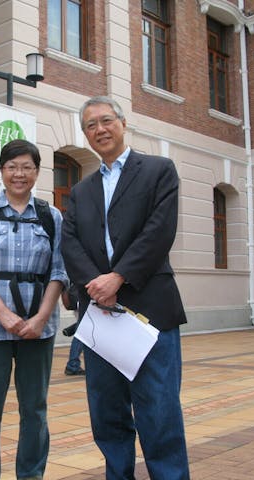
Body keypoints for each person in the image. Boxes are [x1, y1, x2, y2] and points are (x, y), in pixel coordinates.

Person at [61, 96, 190, 479]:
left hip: (151, 312)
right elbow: (70, 243)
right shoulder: (81, 191)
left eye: (105, 120)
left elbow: (159, 231)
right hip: (100, 320)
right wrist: (97, 285)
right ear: (85, 134)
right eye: (90, 125)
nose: (99, 129)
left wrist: (118, 278)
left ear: (122, 122)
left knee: (159, 413)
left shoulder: (157, 171)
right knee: (107, 415)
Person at [0, 139, 67, 480]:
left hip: (38, 329)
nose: (19, 174)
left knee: (34, 410)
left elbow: (58, 272)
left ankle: (31, 475)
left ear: (37, 172)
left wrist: (40, 317)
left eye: (27, 167)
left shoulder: (52, 217)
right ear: (1, 171)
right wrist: (4, 314)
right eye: (12, 167)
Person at [61, 282, 84, 375]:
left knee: (82, 334)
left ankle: (73, 365)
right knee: (81, 336)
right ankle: (72, 365)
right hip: (81, 301)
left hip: (78, 300)